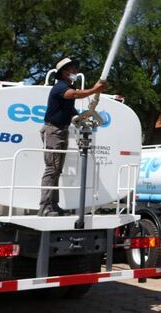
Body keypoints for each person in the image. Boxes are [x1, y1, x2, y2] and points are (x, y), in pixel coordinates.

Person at [39, 58, 105, 217]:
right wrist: (94, 90)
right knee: (52, 169)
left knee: (56, 169)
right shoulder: (60, 87)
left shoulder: (68, 88)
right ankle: (45, 207)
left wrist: (85, 119)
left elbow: (71, 112)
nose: (75, 72)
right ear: (64, 72)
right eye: (73, 69)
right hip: (53, 131)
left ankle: (53, 205)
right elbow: (73, 94)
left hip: (60, 131)